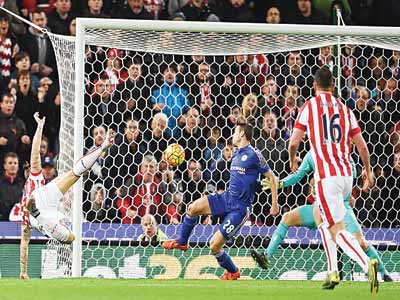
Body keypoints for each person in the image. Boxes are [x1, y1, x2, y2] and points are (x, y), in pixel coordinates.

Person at [287, 67, 378, 293]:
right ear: (333, 86)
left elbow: (293, 143)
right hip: (347, 174)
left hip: (327, 177)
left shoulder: (310, 106)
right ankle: (332, 270)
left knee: (336, 228)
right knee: (325, 221)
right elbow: (362, 146)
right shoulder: (345, 110)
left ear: (315, 86)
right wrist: (368, 171)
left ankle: (368, 264)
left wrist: (292, 162)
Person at [251, 151, 393, 287]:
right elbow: (298, 175)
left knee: (361, 243)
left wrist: (364, 174)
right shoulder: (312, 154)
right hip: (319, 207)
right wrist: (281, 183)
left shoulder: (340, 151)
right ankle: (266, 257)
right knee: (287, 217)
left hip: (340, 207)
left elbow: (353, 173)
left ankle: (384, 274)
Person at [162, 116, 278, 280]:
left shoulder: (255, 155)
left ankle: (233, 271)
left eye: (236, 131)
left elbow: (272, 178)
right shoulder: (236, 153)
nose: (233, 134)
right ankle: (182, 241)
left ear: (242, 134)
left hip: (239, 209)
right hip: (226, 198)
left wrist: (274, 205)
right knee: (192, 208)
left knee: (214, 246)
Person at [19, 112, 114, 280]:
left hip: (39, 209)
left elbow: (24, 243)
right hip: (43, 200)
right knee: (75, 173)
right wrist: (39, 127)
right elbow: (34, 153)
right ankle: (102, 147)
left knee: (69, 238)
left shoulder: (29, 190)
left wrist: (23, 271)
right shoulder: (34, 179)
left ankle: (103, 147)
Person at [0, 152, 24, 221]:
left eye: (15, 163)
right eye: (10, 163)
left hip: (17, 221)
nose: (13, 165)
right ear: (5, 166)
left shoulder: (22, 183)